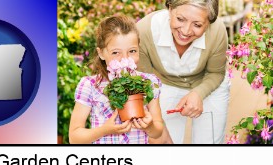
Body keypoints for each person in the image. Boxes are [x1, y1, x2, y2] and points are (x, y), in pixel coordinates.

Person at [137, 0, 230, 144]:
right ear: (170, 9)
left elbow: (215, 73)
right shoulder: (144, 31)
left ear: (208, 23)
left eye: (197, 25)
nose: (186, 31)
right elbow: (145, 81)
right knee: (165, 140)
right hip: (162, 85)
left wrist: (198, 93)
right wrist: (157, 122)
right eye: (180, 19)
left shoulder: (217, 31)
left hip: (209, 83)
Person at [69, 15, 171, 144]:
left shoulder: (149, 82)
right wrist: (105, 130)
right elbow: (74, 138)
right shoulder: (90, 85)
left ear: (139, 49)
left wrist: (149, 126)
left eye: (132, 51)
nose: (125, 59)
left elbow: (158, 131)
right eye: (116, 52)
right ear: (101, 53)